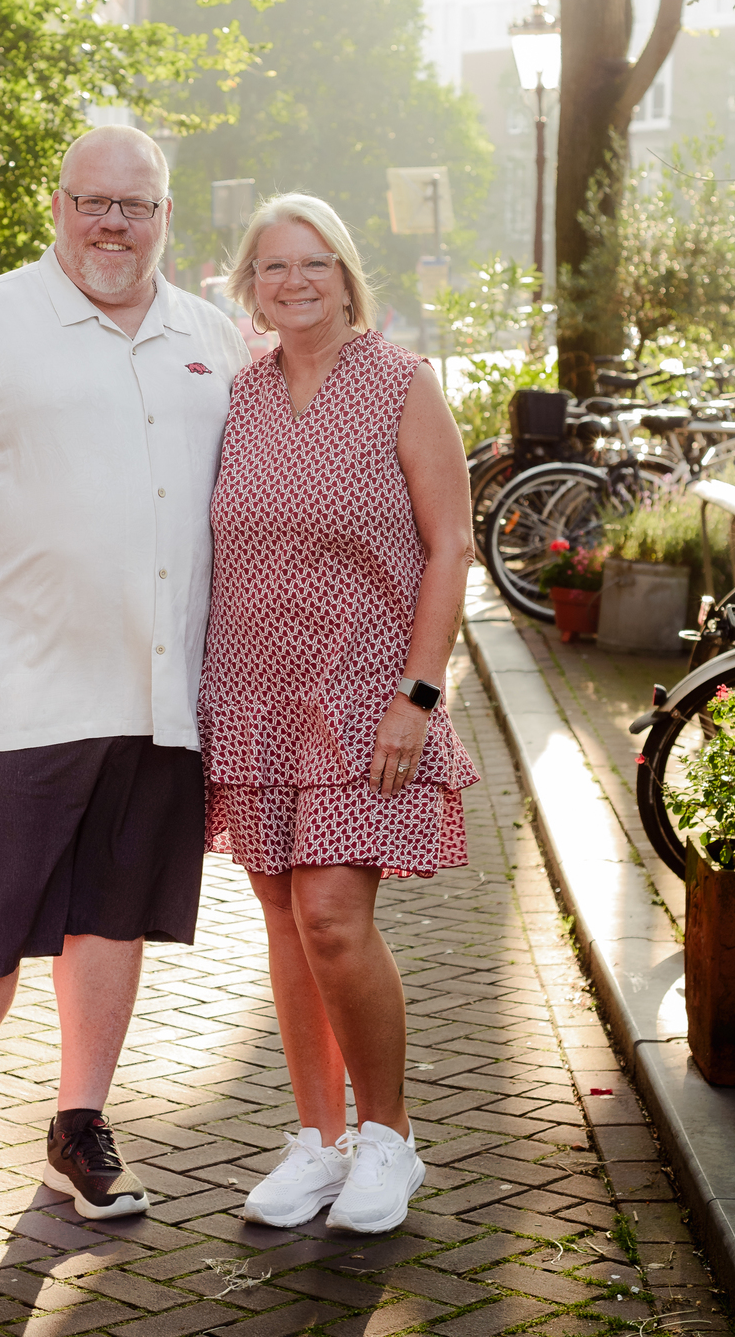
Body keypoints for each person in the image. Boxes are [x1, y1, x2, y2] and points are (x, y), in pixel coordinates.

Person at [0, 126, 249, 1242]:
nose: (113, 224)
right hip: (18, 693)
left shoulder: (211, 338)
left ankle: (81, 1122)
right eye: (94, 202)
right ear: (60, 205)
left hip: (159, 698)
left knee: (112, 921)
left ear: (167, 214)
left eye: (136, 205)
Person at [197, 192, 478, 1235]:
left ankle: (388, 1139)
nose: (293, 281)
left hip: (367, 694)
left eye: (312, 262)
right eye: (272, 267)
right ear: (250, 287)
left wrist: (419, 692)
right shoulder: (239, 394)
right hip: (254, 693)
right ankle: (317, 1141)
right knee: (284, 923)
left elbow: (450, 545)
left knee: (334, 920)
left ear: (347, 274)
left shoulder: (401, 383)